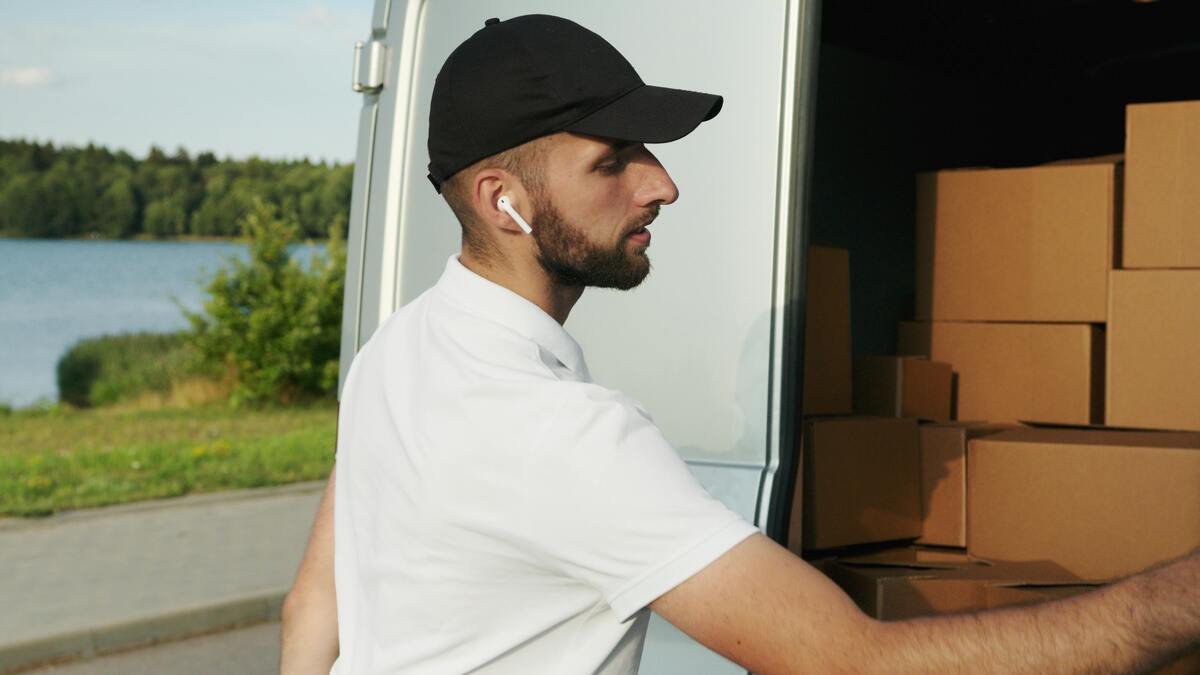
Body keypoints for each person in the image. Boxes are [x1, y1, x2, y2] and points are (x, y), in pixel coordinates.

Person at [281, 14, 1200, 674]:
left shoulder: (396, 351)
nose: (663, 184)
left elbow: (312, 609)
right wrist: (1180, 600)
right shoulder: (558, 434)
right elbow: (849, 663)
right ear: (501, 200)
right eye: (614, 160)